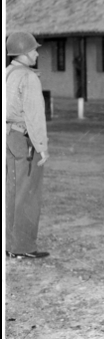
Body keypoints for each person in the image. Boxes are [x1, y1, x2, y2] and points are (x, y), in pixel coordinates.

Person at [6, 31, 50, 259]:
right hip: (24, 140)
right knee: (27, 194)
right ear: (23, 53)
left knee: (11, 192)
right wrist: (42, 146)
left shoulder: (8, 73)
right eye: (33, 49)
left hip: (8, 137)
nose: (36, 53)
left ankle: (9, 244)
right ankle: (22, 247)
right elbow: (34, 117)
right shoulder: (29, 78)